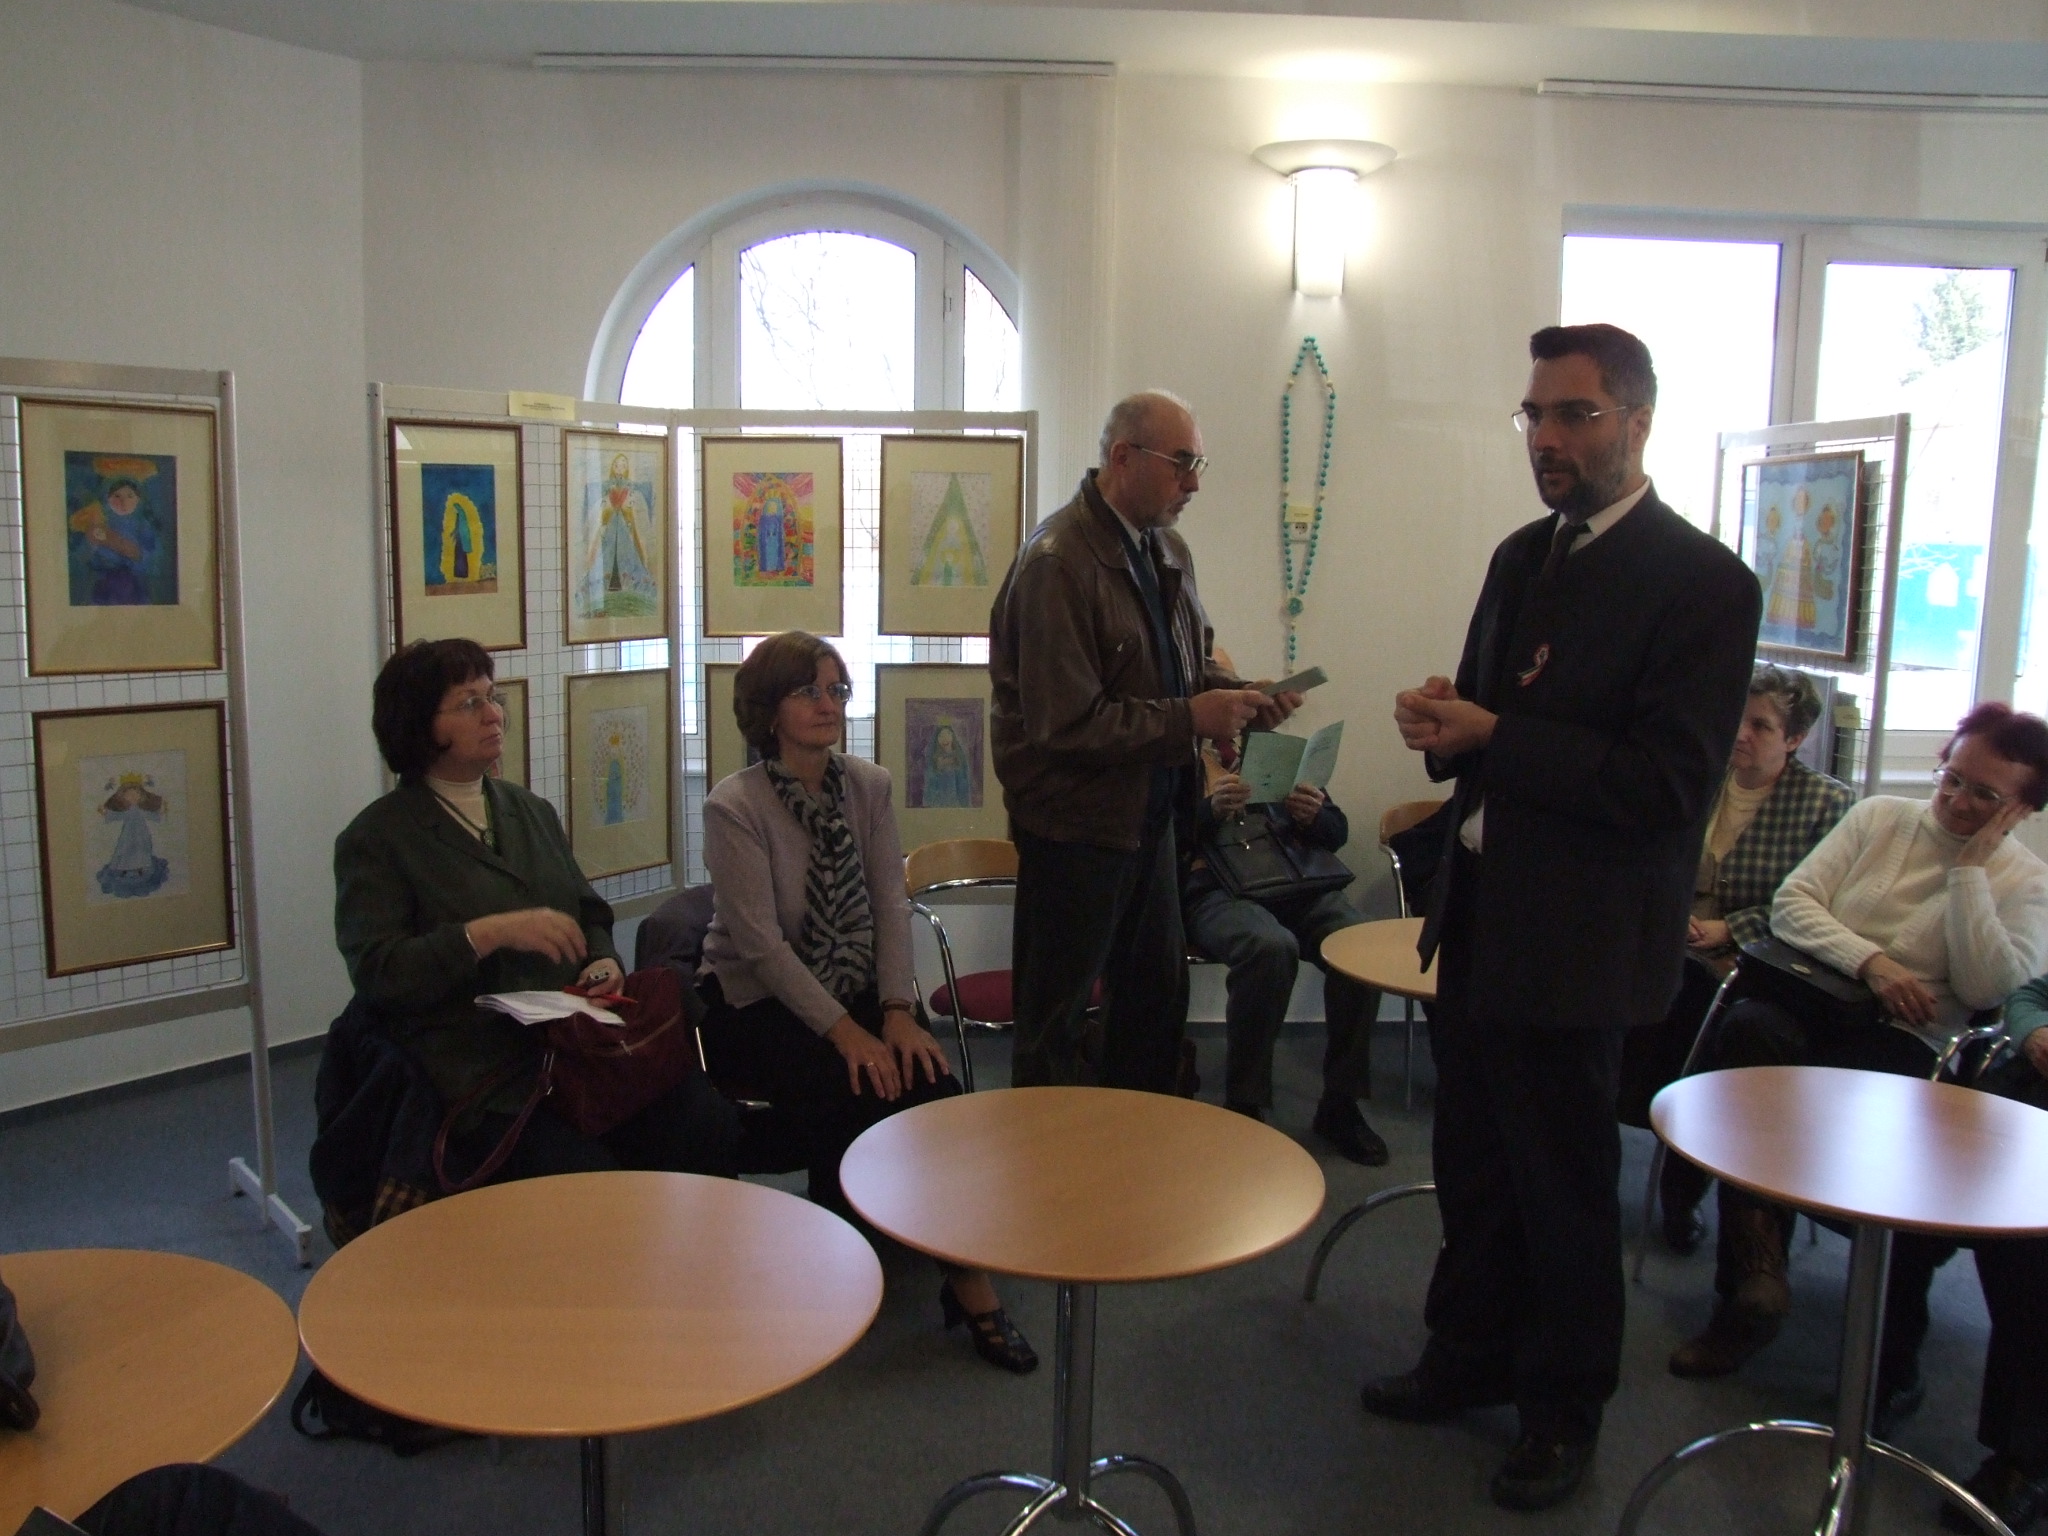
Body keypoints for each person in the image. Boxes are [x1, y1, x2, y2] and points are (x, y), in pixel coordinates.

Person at [1376, 324, 1761, 1511]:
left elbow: (1664, 784)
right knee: (1473, 1162)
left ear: (1635, 420)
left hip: (1583, 938)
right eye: (1533, 414)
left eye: (1573, 415)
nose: (1545, 437)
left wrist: (1496, 734)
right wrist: (1446, 725)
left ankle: (1560, 1408)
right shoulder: (1519, 555)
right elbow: (1490, 719)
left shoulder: (1703, 584)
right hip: (1480, 914)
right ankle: (1465, 1353)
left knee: (1561, 1182)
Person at [1669, 702, 2048, 1387]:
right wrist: (1875, 964)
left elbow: (1984, 985)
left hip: (1915, 1044)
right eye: (1952, 778)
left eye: (1985, 795)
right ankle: (1753, 1284)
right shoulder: (1881, 817)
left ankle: (1889, 1361)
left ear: (2023, 809)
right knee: (1750, 1034)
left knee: (1897, 1131)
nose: (1957, 800)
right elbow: (1793, 904)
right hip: (1816, 1005)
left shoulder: (2027, 881)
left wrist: (1969, 871)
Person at [697, 631, 1037, 1374]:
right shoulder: (734, 805)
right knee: (852, 1082)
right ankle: (857, 1266)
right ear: (769, 710)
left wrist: (897, 1011)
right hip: (754, 1003)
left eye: (837, 690)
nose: (829, 705)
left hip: (853, 988)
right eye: (808, 691)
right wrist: (847, 1032)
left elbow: (889, 903)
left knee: (932, 1085)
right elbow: (761, 947)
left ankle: (960, 1275)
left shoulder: (868, 785)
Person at [334, 639, 738, 1186]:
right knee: (582, 1177)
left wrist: (603, 961)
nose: (494, 714)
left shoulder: (529, 811)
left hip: (577, 1047)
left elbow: (589, 912)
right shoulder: (377, 838)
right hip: (478, 1069)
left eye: (492, 696)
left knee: (705, 1124)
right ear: (417, 724)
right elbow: (379, 973)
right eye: (469, 703)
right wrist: (486, 934)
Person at [989, 390, 1290, 1092]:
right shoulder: (1057, 562)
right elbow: (1065, 724)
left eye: (1197, 464)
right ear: (1123, 457)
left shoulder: (1165, 548)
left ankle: (1139, 1156)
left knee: (1154, 1012)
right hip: (1074, 834)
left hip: (1153, 823)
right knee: (1056, 1026)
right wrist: (1193, 719)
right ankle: (1048, 1160)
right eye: (1181, 463)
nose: (1193, 483)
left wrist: (1242, 698)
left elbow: (1185, 666)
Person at [1617, 663, 1856, 1251]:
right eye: (1738, 719)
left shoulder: (1826, 804)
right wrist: (1670, 912)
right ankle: (1624, 1137)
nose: (1741, 734)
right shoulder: (1700, 776)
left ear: (1794, 739)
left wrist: (1731, 928)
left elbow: (1816, 904)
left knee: (1701, 1009)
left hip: (1757, 954)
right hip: (1667, 934)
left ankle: (1680, 1179)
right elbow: (1649, 853)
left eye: (1761, 726)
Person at [1882, 974, 2048, 1534]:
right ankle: (1889, 1366)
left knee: (2031, 1251)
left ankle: (2024, 1462)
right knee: (1919, 1179)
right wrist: (2035, 1033)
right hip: (2026, 1098)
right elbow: (2030, 996)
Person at [1181, 739, 1386, 1163]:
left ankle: (1341, 1103)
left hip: (1296, 884)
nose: (1240, 714)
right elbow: (1154, 833)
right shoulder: (1178, 752)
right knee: (1270, 947)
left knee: (1357, 943)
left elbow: (1337, 832)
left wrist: (1315, 816)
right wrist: (1209, 811)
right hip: (1216, 889)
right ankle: (1245, 1103)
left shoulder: (1269, 750)